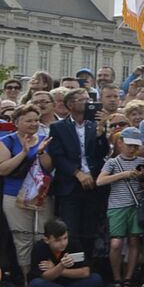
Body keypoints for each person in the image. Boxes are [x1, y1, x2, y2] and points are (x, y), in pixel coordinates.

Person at [47, 87, 106, 262]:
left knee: (89, 229)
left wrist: (102, 133)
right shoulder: (58, 127)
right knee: (70, 229)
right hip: (70, 185)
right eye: (83, 99)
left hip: (92, 184)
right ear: (71, 104)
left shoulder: (93, 125)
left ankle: (87, 266)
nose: (88, 103)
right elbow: (57, 156)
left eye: (89, 99)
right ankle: (71, 265)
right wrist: (77, 173)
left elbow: (101, 152)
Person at [0, 104, 52, 264]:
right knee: (23, 239)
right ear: (16, 122)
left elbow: (49, 167)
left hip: (42, 194)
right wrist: (23, 152)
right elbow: (3, 169)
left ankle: (41, 276)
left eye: (36, 120)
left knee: (43, 236)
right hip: (15, 195)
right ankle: (26, 280)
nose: (34, 124)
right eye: (29, 121)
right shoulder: (6, 141)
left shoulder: (45, 140)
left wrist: (41, 152)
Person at [99, 127, 144, 287]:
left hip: (136, 205)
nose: (133, 149)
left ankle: (128, 277)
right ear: (120, 143)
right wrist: (123, 175)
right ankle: (116, 277)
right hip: (117, 206)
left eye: (135, 146)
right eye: (129, 145)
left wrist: (142, 179)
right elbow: (100, 181)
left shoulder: (141, 162)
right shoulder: (112, 162)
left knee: (134, 241)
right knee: (116, 243)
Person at [28, 219, 110, 287]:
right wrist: (61, 266)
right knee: (36, 284)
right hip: (50, 283)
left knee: (96, 279)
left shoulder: (73, 244)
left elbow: (85, 272)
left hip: (70, 283)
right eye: (57, 240)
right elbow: (45, 277)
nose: (63, 243)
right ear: (47, 240)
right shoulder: (39, 248)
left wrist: (59, 269)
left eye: (65, 238)